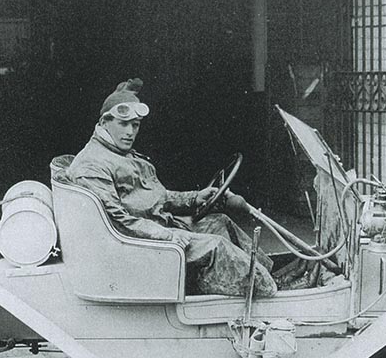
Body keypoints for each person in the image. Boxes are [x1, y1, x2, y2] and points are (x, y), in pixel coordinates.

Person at [66, 79, 276, 298]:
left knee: (221, 223)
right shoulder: (92, 164)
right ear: (105, 122)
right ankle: (270, 294)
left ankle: (267, 275)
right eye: (123, 124)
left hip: (159, 228)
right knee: (217, 246)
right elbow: (117, 221)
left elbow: (156, 197)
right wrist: (165, 235)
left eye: (135, 125)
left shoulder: (120, 154)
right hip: (140, 244)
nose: (130, 132)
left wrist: (195, 198)